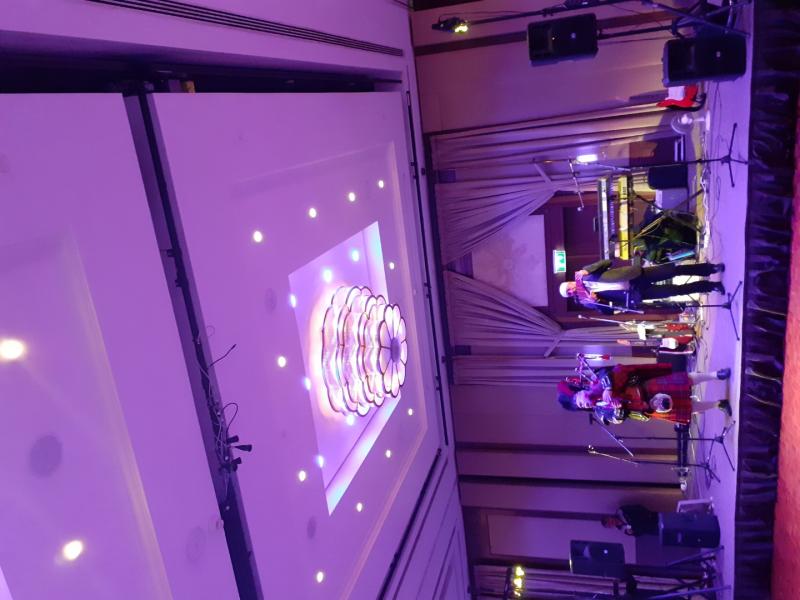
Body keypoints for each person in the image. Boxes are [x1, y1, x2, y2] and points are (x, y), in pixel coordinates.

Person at [556, 363, 732, 425]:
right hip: (645, 407)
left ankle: (716, 375)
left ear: (580, 391)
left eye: (579, 400)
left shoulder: (596, 380)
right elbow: (618, 420)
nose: (584, 404)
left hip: (645, 388)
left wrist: (608, 387)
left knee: (684, 380)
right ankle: (718, 404)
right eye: (581, 406)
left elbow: (618, 370)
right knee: (686, 409)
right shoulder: (601, 412)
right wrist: (618, 409)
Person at [558, 259, 725, 314]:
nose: (571, 290)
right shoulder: (585, 301)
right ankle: (711, 286)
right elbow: (609, 312)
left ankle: (709, 268)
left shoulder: (585, 273)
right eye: (569, 293)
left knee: (674, 270)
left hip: (637, 275)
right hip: (635, 294)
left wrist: (588, 269)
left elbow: (607, 262)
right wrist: (597, 302)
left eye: (569, 287)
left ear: (571, 282)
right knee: (674, 291)